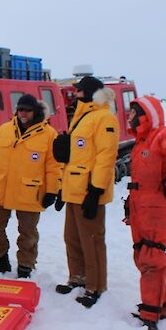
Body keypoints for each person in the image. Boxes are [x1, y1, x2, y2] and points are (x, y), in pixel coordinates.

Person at [124, 95, 166, 330]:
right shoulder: (142, 141)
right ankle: (158, 306)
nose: (129, 117)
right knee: (143, 255)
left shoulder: (163, 135)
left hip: (157, 210)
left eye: (134, 113)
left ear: (146, 115)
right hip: (142, 209)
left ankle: (150, 314)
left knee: (151, 258)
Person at [54, 76, 119, 308]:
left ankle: (95, 284)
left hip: (89, 191)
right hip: (73, 189)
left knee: (91, 240)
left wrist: (96, 191)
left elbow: (105, 157)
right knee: (72, 238)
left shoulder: (104, 118)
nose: (76, 93)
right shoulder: (82, 117)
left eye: (79, 90)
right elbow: (74, 158)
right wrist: (62, 188)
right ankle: (77, 277)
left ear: (89, 92)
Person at [0, 94, 61, 278]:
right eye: (20, 109)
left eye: (27, 110)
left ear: (36, 111)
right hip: (1, 188)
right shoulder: (4, 130)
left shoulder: (49, 134)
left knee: (28, 233)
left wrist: (52, 190)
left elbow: (54, 166)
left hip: (30, 192)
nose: (23, 113)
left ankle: (26, 265)